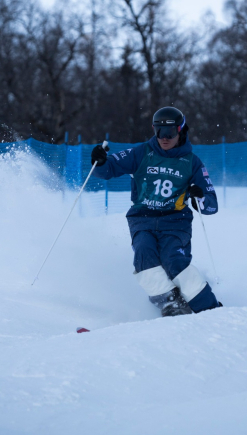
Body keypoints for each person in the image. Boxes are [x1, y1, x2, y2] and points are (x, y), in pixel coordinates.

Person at [91, 107, 222, 317]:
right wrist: (100, 160)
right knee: (143, 253)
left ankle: (210, 309)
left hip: (175, 222)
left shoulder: (192, 162)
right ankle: (170, 302)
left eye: (169, 133)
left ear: (180, 130)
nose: (164, 138)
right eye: (159, 132)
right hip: (142, 219)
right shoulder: (142, 153)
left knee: (173, 259)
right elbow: (108, 169)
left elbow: (211, 204)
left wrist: (199, 197)